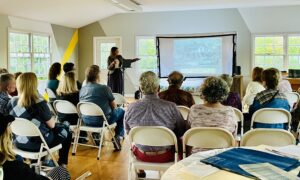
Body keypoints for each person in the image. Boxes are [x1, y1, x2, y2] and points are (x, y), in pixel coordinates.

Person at [125, 71, 186, 177]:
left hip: (141, 155)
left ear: (140, 89)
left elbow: (129, 133)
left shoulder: (130, 108)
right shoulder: (171, 107)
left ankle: (140, 170)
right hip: (166, 156)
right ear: (158, 88)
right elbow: (181, 131)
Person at [7, 72, 72, 167]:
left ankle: (39, 162)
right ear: (34, 85)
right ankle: (62, 164)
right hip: (39, 145)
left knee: (44, 131)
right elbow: (52, 125)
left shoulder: (12, 101)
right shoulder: (39, 103)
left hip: (18, 143)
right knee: (67, 131)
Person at [0, 113, 70, 180]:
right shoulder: (14, 167)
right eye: (9, 125)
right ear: (4, 137)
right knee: (61, 171)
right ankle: (61, 163)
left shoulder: (11, 103)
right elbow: (52, 125)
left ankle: (46, 161)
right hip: (37, 145)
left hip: (20, 144)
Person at [80, 65, 125, 148]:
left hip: (86, 120)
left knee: (99, 113)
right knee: (122, 111)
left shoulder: (82, 89)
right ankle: (117, 136)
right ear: (98, 75)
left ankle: (96, 134)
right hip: (103, 121)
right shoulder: (105, 88)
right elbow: (114, 107)